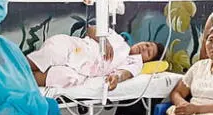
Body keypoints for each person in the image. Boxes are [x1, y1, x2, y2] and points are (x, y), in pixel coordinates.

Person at [27, 27, 164, 90]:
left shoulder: (134, 62)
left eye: (149, 52)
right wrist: (103, 40)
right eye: (147, 44)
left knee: (66, 77)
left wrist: (116, 78)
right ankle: (12, 68)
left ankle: (20, 79)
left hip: (82, 71)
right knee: (55, 53)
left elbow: (124, 73)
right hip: (75, 48)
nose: (144, 48)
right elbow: (91, 29)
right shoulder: (116, 37)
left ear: (147, 60)